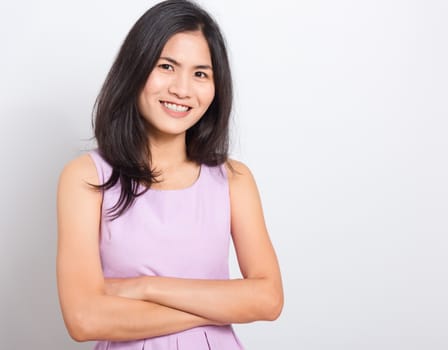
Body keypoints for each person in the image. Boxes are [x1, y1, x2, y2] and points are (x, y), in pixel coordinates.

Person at [56, 1, 283, 348]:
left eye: (200, 73)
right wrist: (224, 305)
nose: (182, 88)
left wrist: (147, 287)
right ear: (135, 68)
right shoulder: (86, 178)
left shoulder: (234, 179)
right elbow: (85, 319)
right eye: (166, 66)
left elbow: (268, 299)